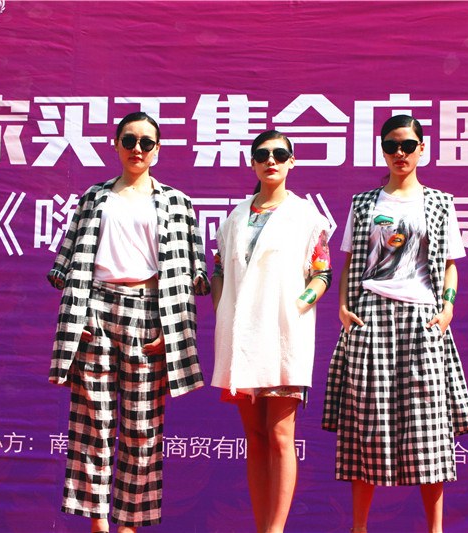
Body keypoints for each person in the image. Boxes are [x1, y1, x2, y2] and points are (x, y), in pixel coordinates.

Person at [46, 112, 209, 533]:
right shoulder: (94, 196)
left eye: (146, 142)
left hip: (150, 312)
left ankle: (128, 526)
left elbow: (192, 273)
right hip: (96, 308)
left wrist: (171, 330)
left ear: (157, 150)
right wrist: (79, 317)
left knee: (142, 429)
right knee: (92, 424)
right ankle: (98, 523)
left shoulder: (177, 202)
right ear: (116, 144)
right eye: (130, 140)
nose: (138, 148)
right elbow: (69, 259)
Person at [322, 115, 468, 533]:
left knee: (430, 431)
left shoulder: (440, 203)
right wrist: (343, 307)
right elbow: (351, 261)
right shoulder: (364, 203)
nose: (400, 153)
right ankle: (359, 528)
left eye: (408, 145)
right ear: (383, 151)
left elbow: (450, 264)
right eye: (391, 146)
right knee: (366, 426)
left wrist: (447, 309)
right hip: (371, 315)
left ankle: (435, 530)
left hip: (422, 318)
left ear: (422, 149)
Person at [211, 130, 332, 533]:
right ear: (252, 163)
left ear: (292, 161)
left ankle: (276, 529)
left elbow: (322, 273)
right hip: (241, 337)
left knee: (280, 433)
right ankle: (261, 525)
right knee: (255, 436)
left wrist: (296, 307)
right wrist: (223, 309)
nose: (271, 161)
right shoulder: (234, 218)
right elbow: (219, 270)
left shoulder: (306, 216)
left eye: (280, 154)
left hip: (282, 335)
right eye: (262, 154)